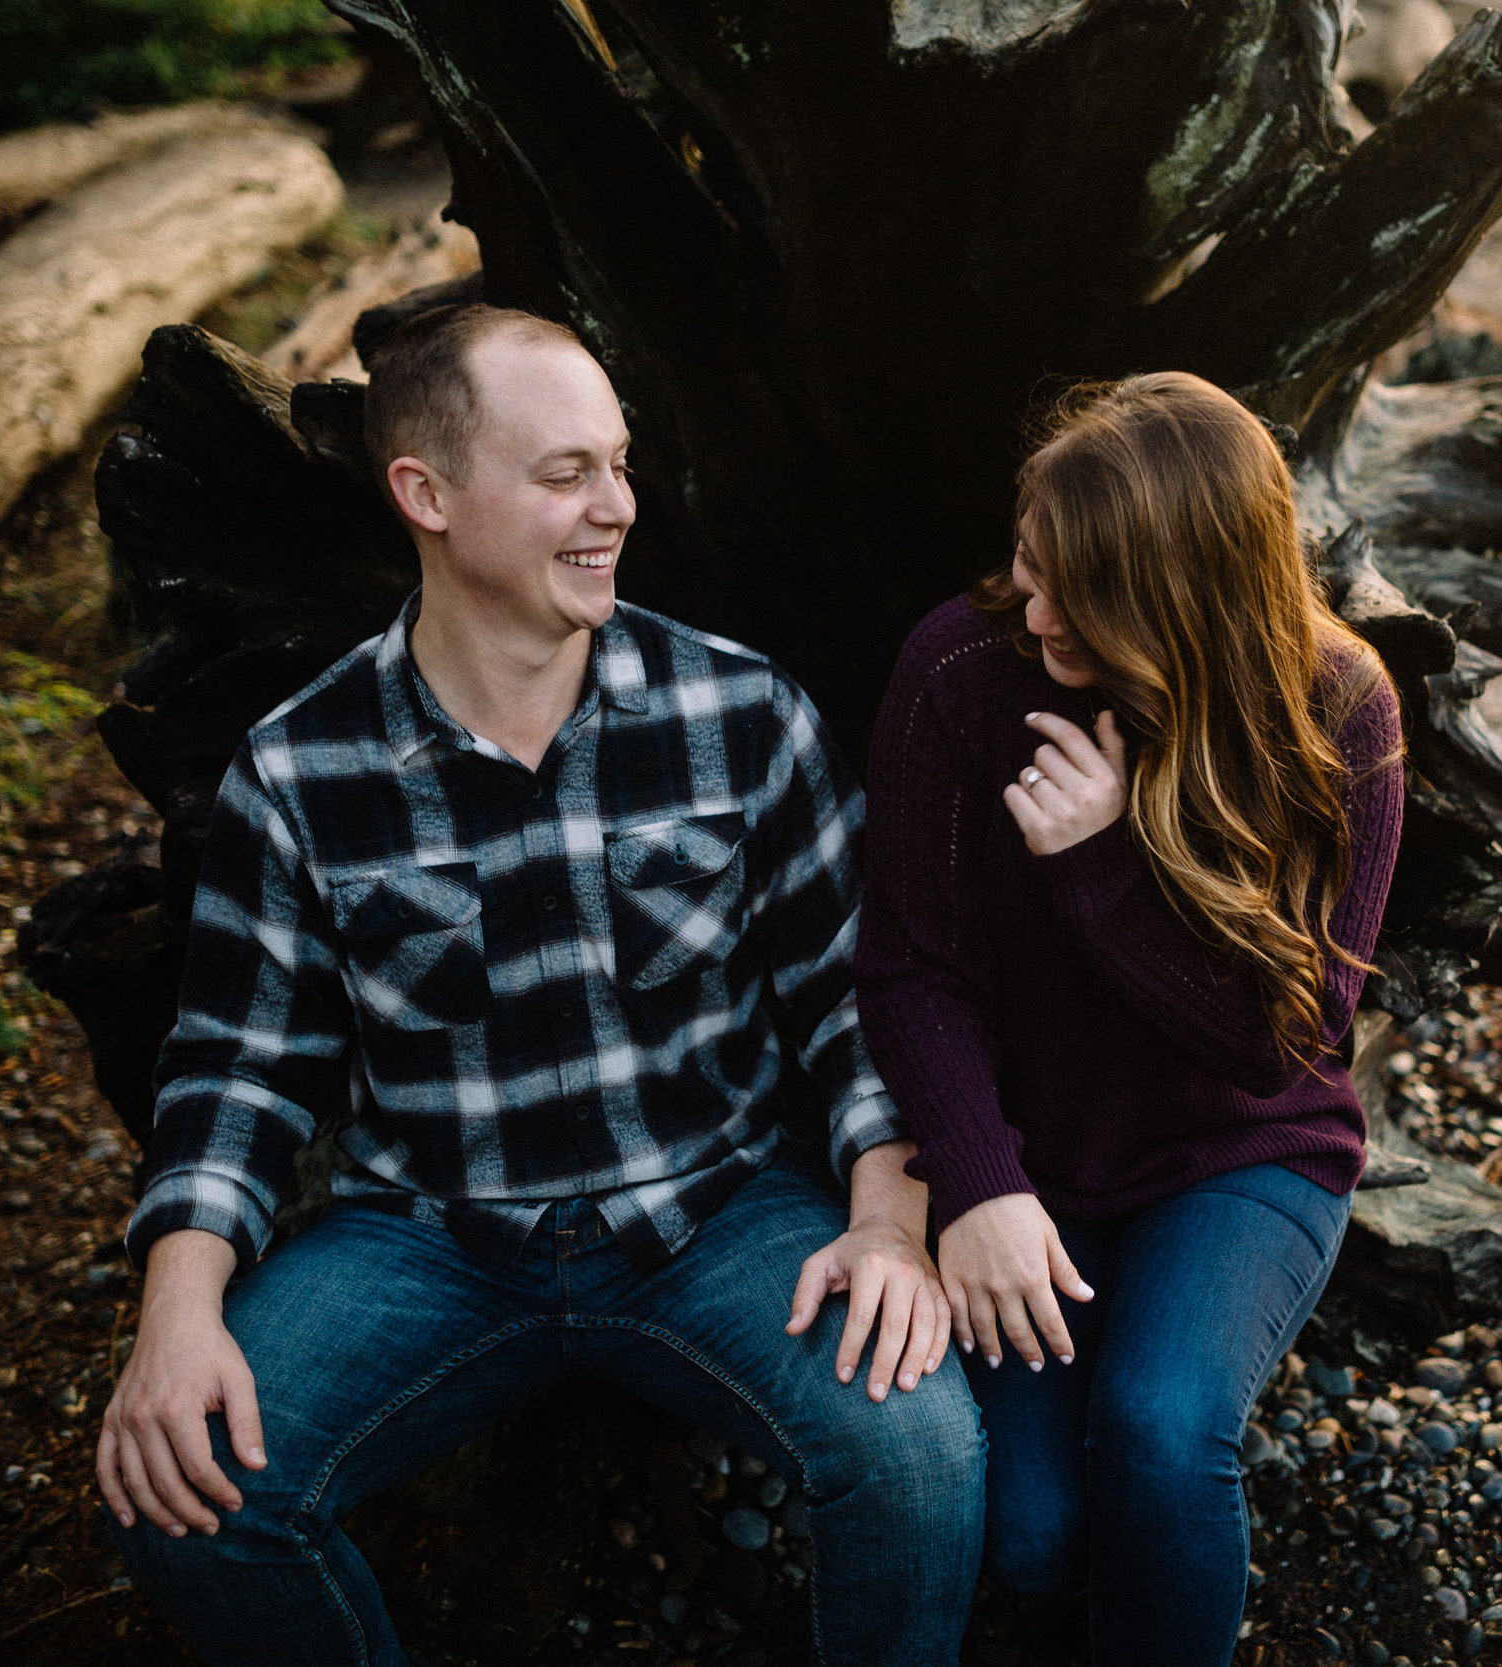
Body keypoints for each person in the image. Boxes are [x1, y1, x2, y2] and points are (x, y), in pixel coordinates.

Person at [96, 303, 983, 1667]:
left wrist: (887, 1222)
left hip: (717, 1215)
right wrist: (178, 1316)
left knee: (918, 1457)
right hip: (429, 1238)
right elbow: (235, 1068)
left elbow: (860, 998)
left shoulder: (740, 715)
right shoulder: (303, 765)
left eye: (617, 465)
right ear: (426, 494)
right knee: (184, 1499)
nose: (617, 506)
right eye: (566, 472)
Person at [856, 371, 1404, 1661]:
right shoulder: (956, 670)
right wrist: (980, 1186)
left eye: (1072, 589)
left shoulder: (1338, 710)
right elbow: (907, 969)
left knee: (1160, 1435)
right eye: (1027, 561)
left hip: (1239, 1153)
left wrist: (1106, 871)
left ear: (1174, 600)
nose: (1032, 605)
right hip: (1035, 1161)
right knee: (1039, 1536)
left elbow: (1288, 1040)